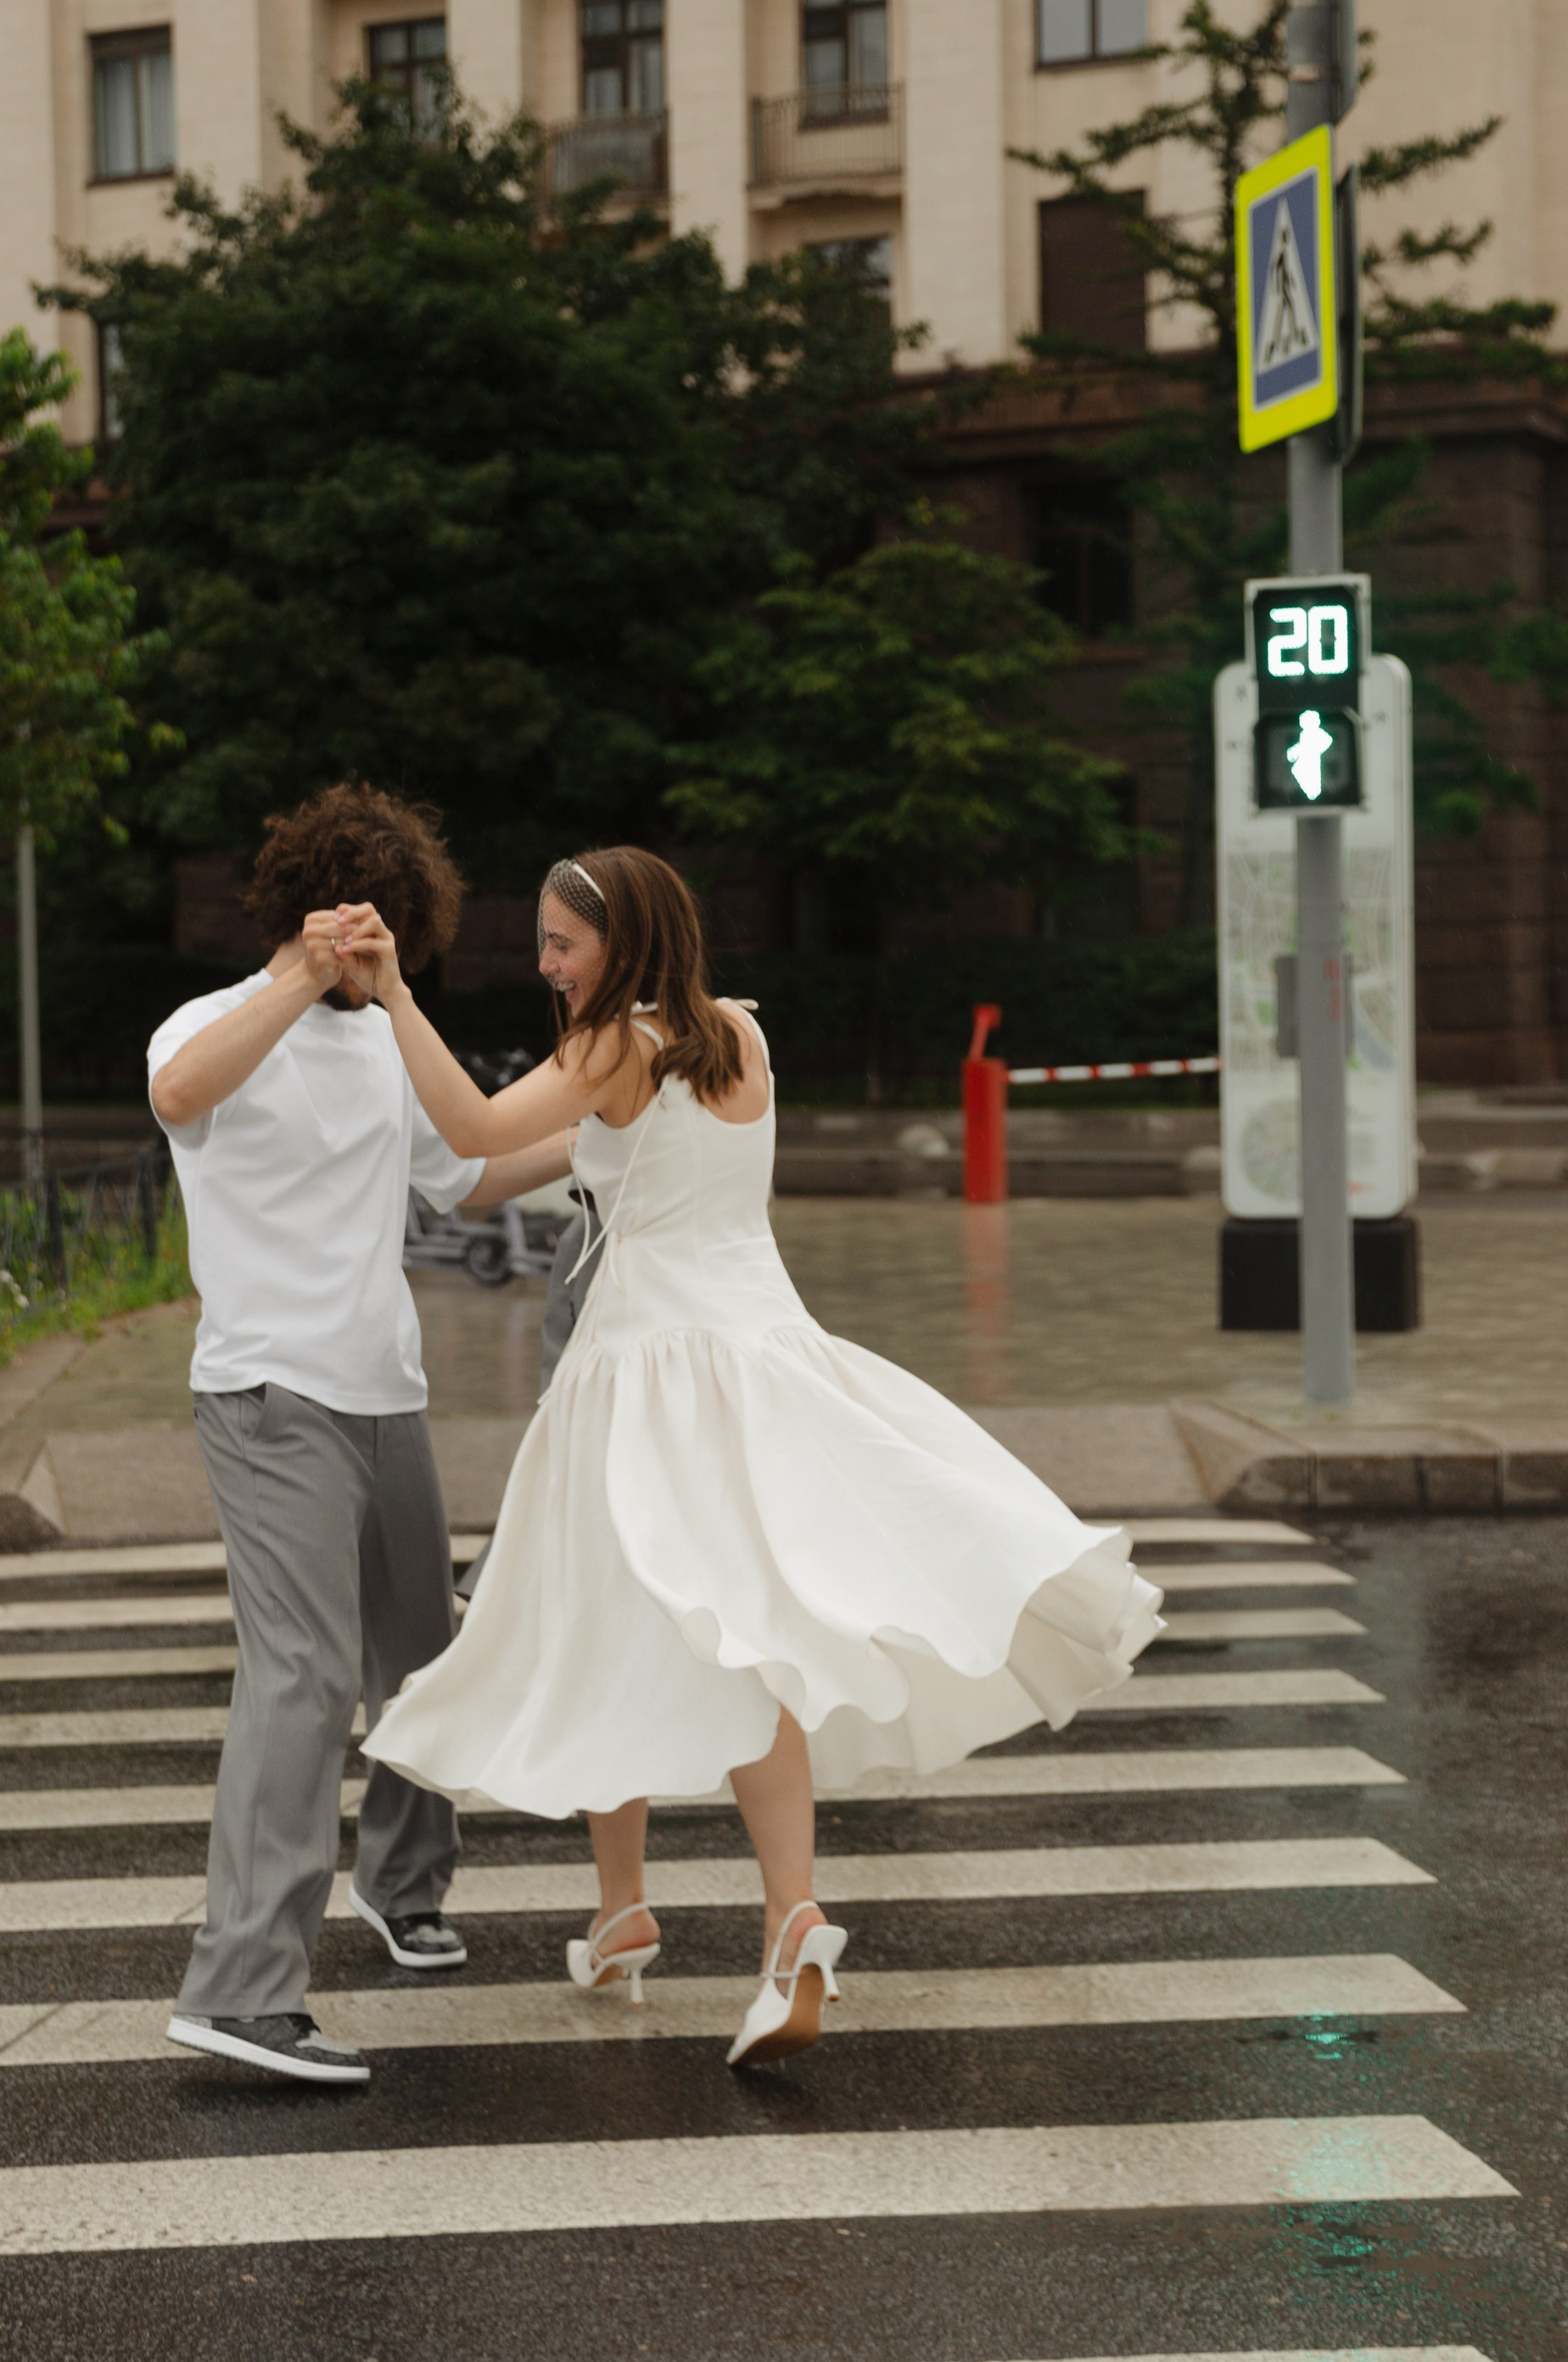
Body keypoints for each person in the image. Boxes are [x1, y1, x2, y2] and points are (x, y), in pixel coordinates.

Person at [334, 848, 1162, 2069]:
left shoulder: (613, 1044)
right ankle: (670, 1911)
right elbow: (523, 1168)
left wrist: (396, 996)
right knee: (687, 1624)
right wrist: (432, 1174)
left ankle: (763, 1916)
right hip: (761, 1357)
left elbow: (471, 1126)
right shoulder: (735, 1039)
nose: (546, 963)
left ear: (621, 945)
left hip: (646, 1377)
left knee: (611, 1620)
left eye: (563, 942)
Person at [148, 786, 569, 2088]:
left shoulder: (390, 1033)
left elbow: (470, 1167)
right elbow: (178, 1094)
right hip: (272, 1394)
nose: (370, 945)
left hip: (384, 1390)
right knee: (307, 1673)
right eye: (346, 918)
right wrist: (299, 975)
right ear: (297, 907)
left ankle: (403, 1882)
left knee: (427, 1653)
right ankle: (241, 1986)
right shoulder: (216, 1021)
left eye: (392, 928)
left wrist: (608, 1142)